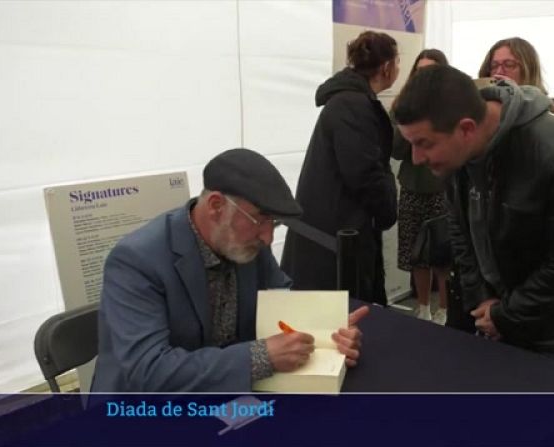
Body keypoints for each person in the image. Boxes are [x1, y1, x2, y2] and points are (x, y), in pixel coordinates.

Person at [92, 148, 369, 392]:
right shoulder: (136, 260)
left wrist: (327, 330)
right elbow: (149, 371)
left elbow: (281, 302)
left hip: (226, 393)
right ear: (216, 206)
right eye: (260, 220)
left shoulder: (247, 243)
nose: (268, 238)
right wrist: (259, 357)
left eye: (273, 223)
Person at [393, 64, 554, 369]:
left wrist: (505, 314)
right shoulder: (456, 154)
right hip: (494, 316)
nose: (416, 158)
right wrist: (483, 302)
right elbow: (460, 235)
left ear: (467, 129)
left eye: (423, 143)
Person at [281, 31, 399, 306]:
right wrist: (387, 209)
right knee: (340, 319)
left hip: (335, 232)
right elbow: (364, 173)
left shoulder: (348, 101)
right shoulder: (353, 105)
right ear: (386, 67)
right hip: (335, 237)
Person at [391, 49, 451, 324]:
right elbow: (396, 150)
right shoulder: (402, 104)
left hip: (443, 190)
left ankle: (445, 309)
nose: (424, 76)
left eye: (431, 70)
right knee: (416, 253)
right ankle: (423, 307)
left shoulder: (452, 104)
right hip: (412, 188)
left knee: (443, 255)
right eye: (419, 70)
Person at [478, 37, 554, 130]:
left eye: (509, 65)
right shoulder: (484, 114)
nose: (499, 72)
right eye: (494, 66)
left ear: (528, 70)